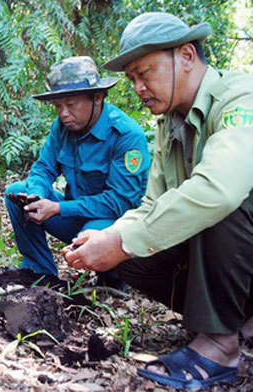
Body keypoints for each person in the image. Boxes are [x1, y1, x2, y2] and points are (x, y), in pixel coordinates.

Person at [63, 12, 253, 389]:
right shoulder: (169, 125)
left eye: (144, 72)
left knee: (217, 202)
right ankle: (236, 319)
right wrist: (111, 239)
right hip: (234, 257)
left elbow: (220, 188)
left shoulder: (239, 98)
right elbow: (152, 205)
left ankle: (220, 344)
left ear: (185, 56)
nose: (137, 86)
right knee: (125, 247)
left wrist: (121, 241)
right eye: (132, 78)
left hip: (240, 227)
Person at [4, 56, 150, 288]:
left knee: (87, 238)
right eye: (58, 106)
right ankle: (39, 272)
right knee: (17, 193)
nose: (63, 113)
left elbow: (120, 202)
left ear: (97, 97)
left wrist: (58, 208)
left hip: (113, 225)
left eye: (71, 104)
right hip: (75, 215)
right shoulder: (63, 128)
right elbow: (43, 167)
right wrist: (37, 196)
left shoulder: (126, 136)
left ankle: (114, 278)